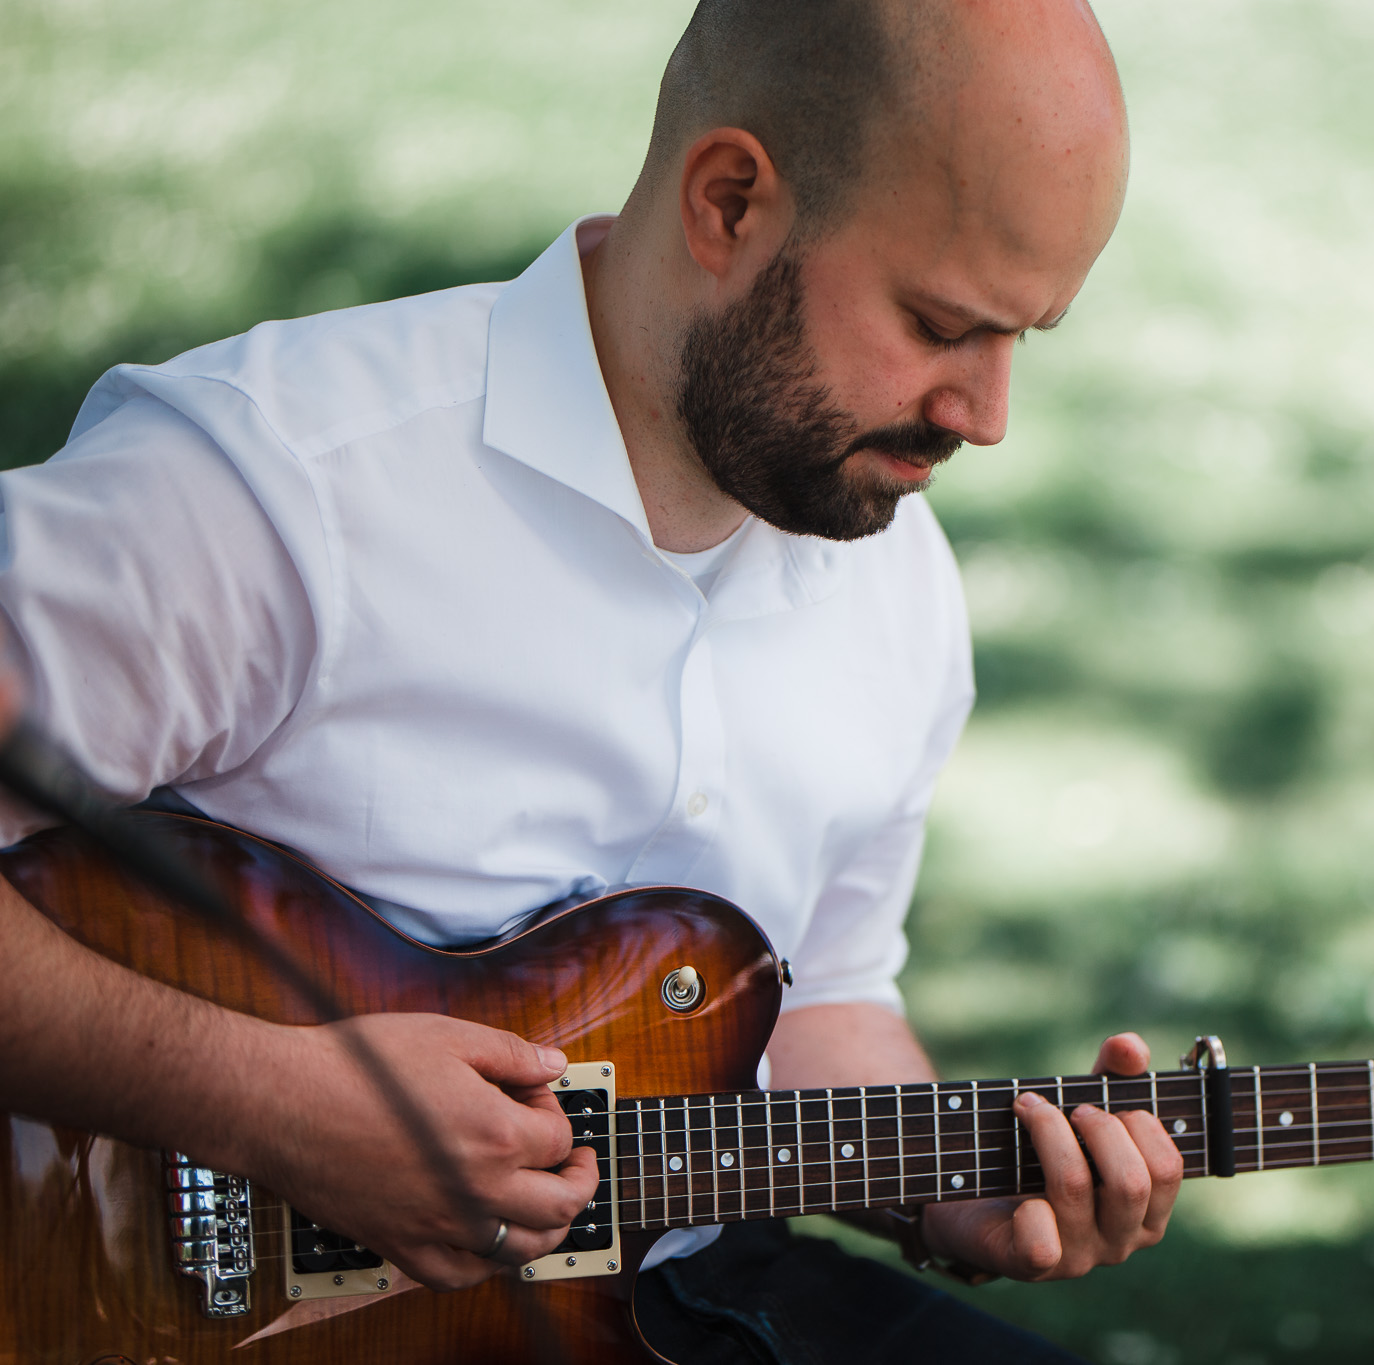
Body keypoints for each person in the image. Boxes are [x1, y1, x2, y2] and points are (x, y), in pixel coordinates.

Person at [0, 0, 1177, 1357]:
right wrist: (274, 1100)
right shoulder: (275, 488)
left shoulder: (897, 577)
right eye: (937, 322)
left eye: (1027, 335)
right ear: (729, 202)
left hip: (666, 1293)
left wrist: (956, 1192)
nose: (989, 416)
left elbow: (825, 995)